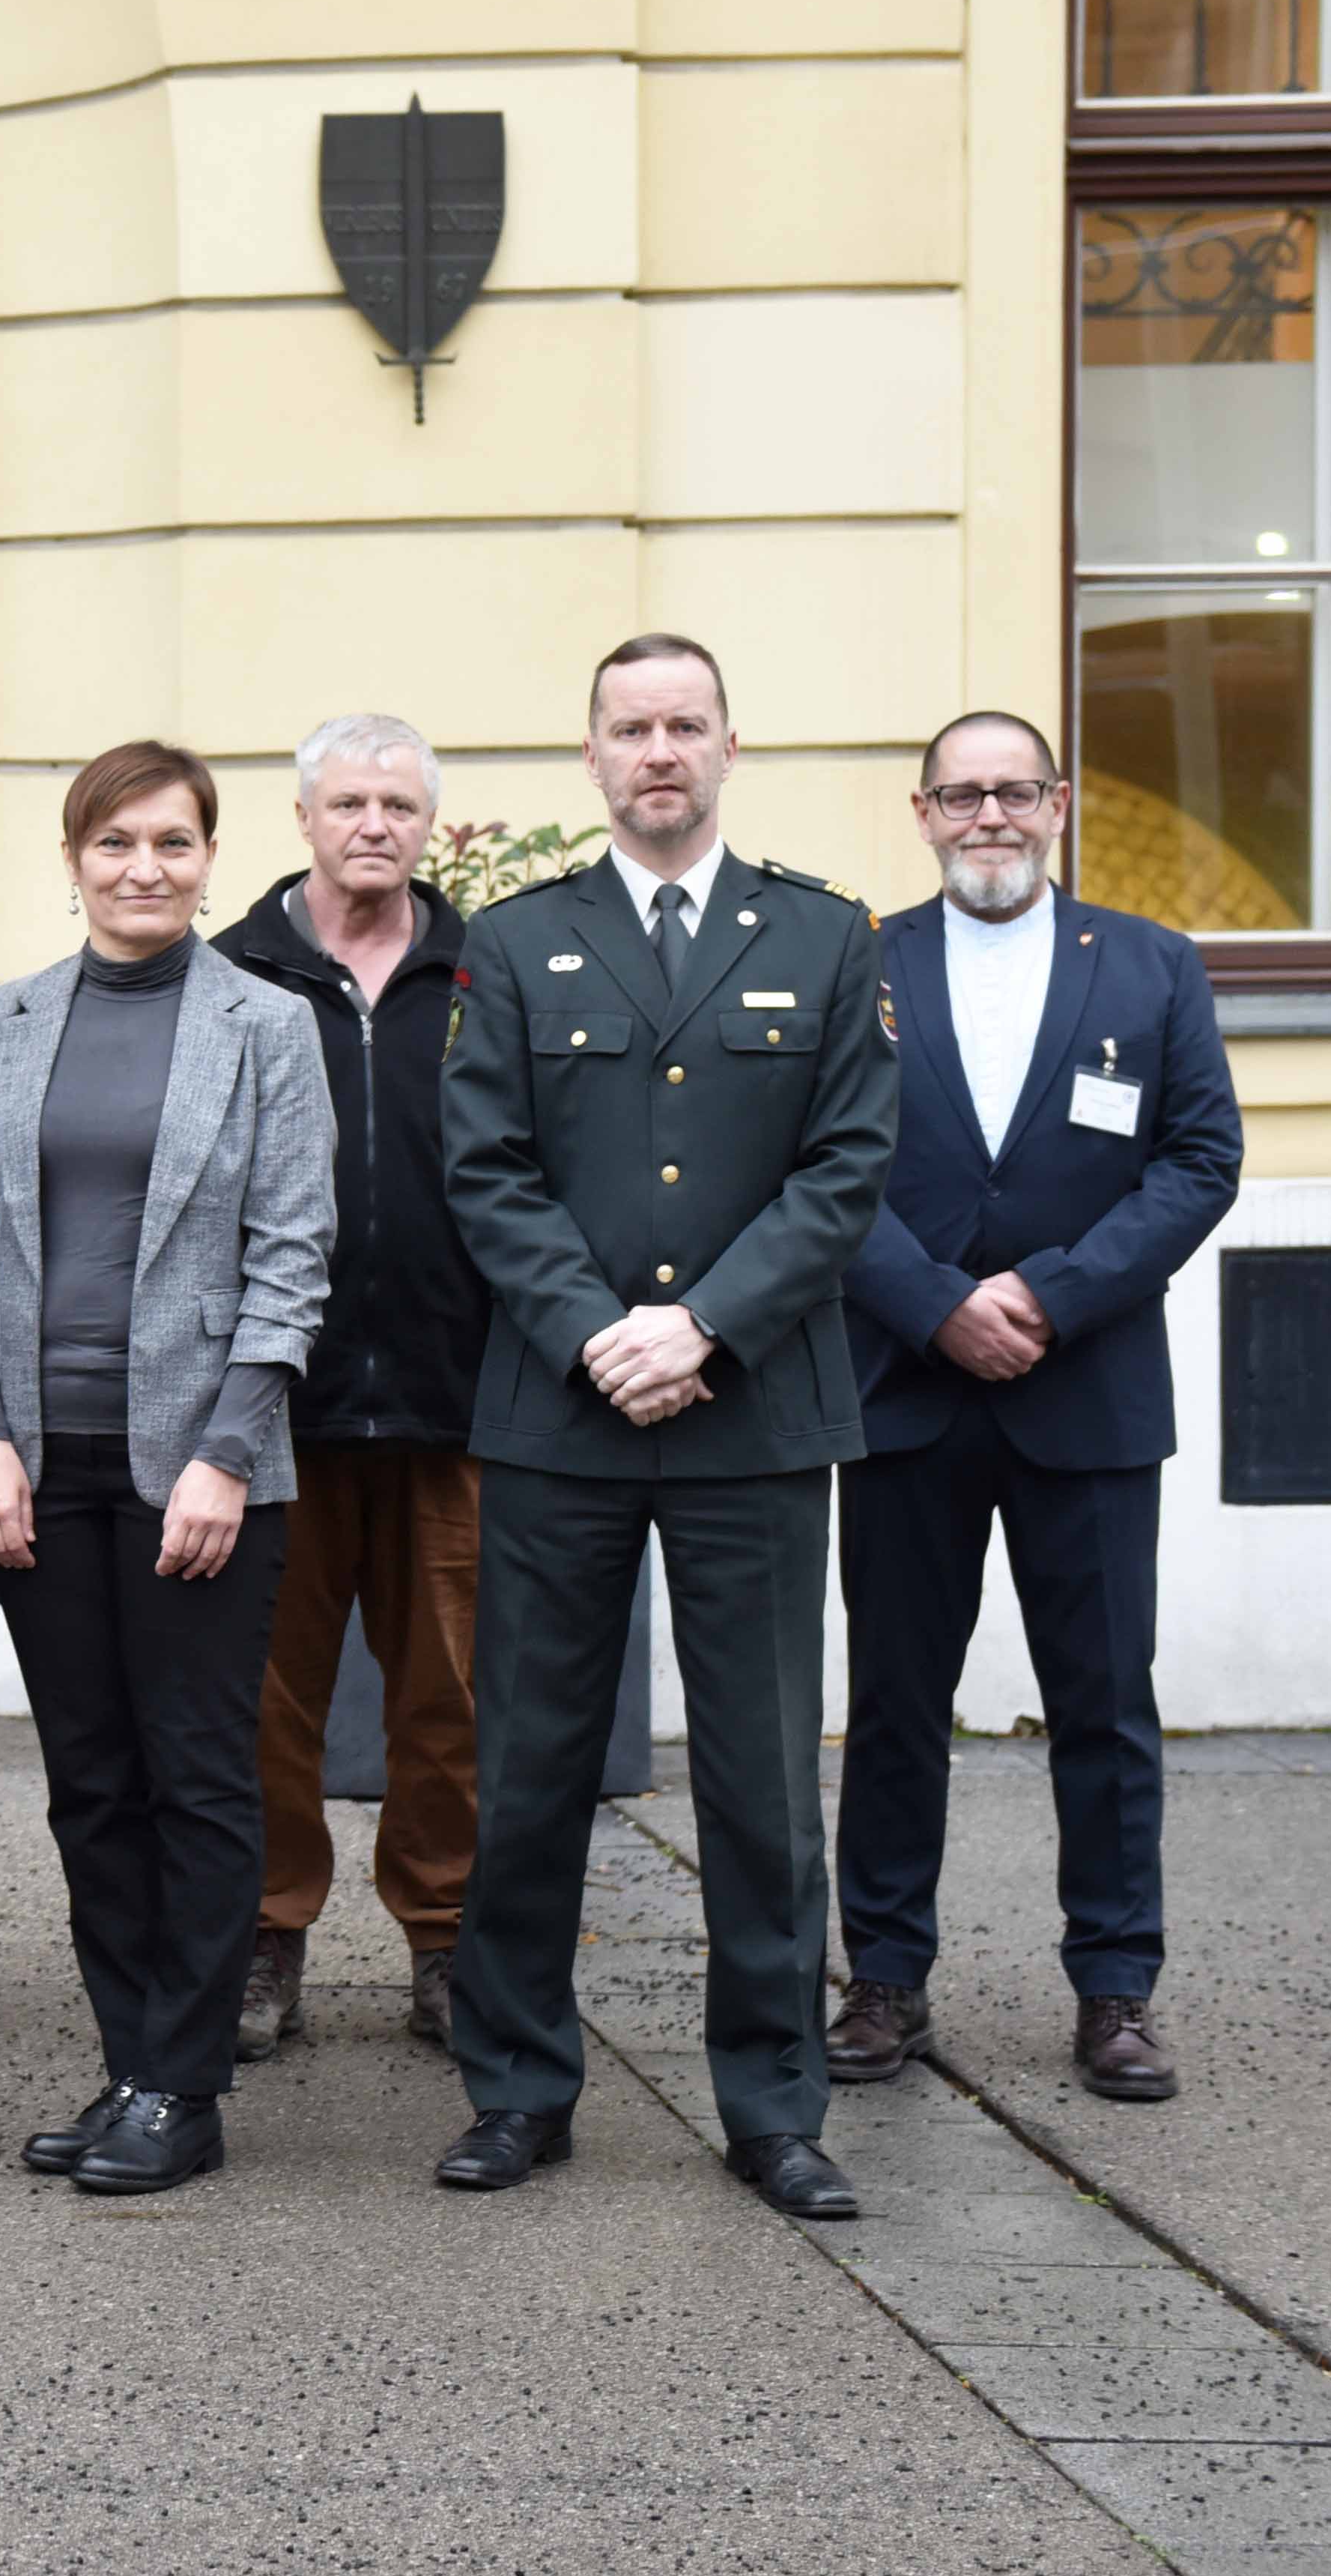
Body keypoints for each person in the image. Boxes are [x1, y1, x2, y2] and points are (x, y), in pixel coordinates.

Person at [434, 635, 897, 2219]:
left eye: (684, 725)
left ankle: (772, 2105)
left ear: (727, 747)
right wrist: (597, 1333)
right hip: (559, 1414)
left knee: (761, 1784)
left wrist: (701, 1326)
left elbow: (846, 1166)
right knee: (529, 1767)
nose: (657, 752)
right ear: (591, 756)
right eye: (629, 728)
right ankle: (516, 2087)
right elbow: (484, 1167)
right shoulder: (516, 942)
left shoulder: (823, 936)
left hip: (750, 1413)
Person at [0, 743, 333, 2198]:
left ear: (208, 859)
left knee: (197, 1777)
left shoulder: (265, 1024)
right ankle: (128, 2065)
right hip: (41, 1465)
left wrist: (225, 1451)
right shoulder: (7, 1019)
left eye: (170, 841)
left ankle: (184, 2082)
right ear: (73, 861)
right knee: (90, 1781)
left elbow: (293, 1257)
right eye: (114, 841)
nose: (142, 866)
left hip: (201, 1471)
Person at [837, 714, 1240, 2104]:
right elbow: (817, 1164)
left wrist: (1050, 1297)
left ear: (1058, 805)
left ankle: (1117, 1991)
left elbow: (1199, 1160)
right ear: (924, 814)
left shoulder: (1151, 963)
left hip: (1090, 1390)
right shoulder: (858, 965)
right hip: (905, 1386)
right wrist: (934, 1302)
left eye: (1015, 791)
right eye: (962, 796)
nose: (990, 816)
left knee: (1105, 1705)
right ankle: (884, 1979)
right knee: (894, 1703)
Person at [207, 716, 487, 2059]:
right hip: (276, 1411)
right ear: (304, 818)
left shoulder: (489, 975)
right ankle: (267, 1937)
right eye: (349, 803)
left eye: (398, 805)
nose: (373, 825)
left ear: (428, 824)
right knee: (268, 1704)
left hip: (456, 1397)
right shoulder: (230, 975)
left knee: (453, 1701)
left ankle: (449, 1942)